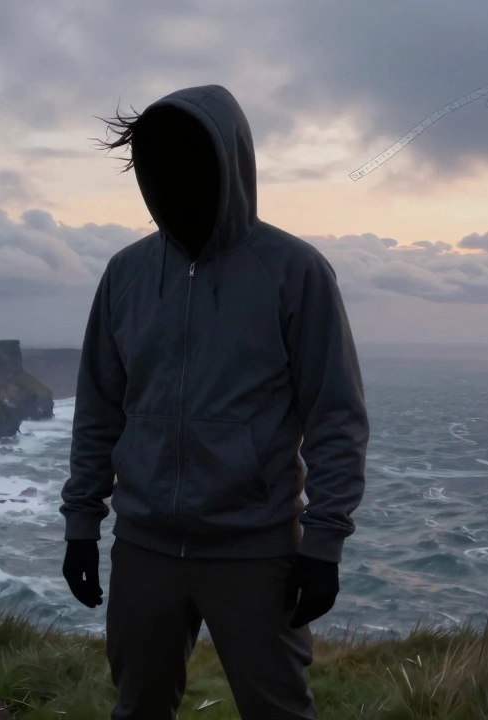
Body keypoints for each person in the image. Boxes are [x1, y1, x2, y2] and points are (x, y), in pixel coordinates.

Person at [58, 84, 370, 719]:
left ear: (230, 163)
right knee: (137, 709)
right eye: (156, 167)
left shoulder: (295, 272)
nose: (171, 183)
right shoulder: (126, 274)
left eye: (190, 162)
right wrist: (82, 527)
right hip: (143, 547)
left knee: (278, 711)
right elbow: (99, 410)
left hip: (254, 551)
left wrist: (323, 543)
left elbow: (335, 416)